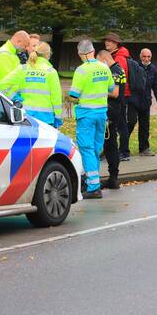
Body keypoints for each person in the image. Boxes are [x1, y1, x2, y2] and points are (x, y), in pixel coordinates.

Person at [69, 39, 115, 199]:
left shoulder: (81, 71)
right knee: (95, 149)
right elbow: (111, 88)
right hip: (101, 114)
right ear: (93, 51)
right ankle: (92, 182)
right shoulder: (104, 68)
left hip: (86, 115)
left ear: (81, 53)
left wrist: (69, 99)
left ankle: (94, 187)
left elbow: (74, 95)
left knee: (86, 149)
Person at [0, 41, 63, 128]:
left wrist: (14, 97)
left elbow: (2, 85)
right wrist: (58, 116)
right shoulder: (51, 72)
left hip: (25, 116)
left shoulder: (23, 69)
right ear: (48, 55)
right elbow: (56, 97)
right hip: (45, 118)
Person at [97, 49, 126, 189]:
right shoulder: (117, 69)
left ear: (104, 60)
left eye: (99, 62)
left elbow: (114, 93)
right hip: (114, 111)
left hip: (111, 111)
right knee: (109, 144)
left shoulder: (115, 71)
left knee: (110, 145)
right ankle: (112, 178)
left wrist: (96, 91)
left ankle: (113, 177)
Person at [104, 33, 134, 161]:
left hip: (120, 96)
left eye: (110, 41)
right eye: (106, 41)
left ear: (116, 43)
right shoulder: (116, 55)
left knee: (121, 125)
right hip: (119, 95)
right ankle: (114, 151)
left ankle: (124, 152)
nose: (107, 43)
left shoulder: (119, 58)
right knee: (117, 124)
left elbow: (118, 78)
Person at [133, 48, 157, 157]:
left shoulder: (153, 69)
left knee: (145, 126)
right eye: (144, 56)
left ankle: (144, 149)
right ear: (140, 56)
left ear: (151, 57)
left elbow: (156, 86)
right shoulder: (135, 67)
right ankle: (122, 149)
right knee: (130, 124)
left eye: (148, 57)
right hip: (134, 101)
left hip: (146, 101)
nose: (146, 59)